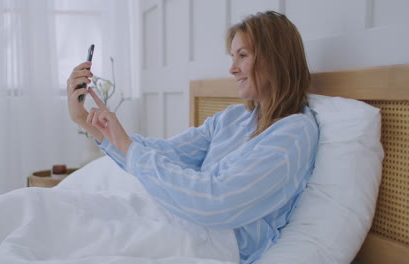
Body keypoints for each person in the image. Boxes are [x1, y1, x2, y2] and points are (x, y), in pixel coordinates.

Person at [67, 11, 318, 264]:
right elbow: (170, 152)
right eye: (233, 57)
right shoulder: (233, 118)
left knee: (83, 240)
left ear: (275, 59)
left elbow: (217, 202)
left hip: (216, 241)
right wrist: (88, 123)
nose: (232, 69)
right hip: (179, 218)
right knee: (68, 216)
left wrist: (127, 146)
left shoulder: (294, 134)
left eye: (242, 56)